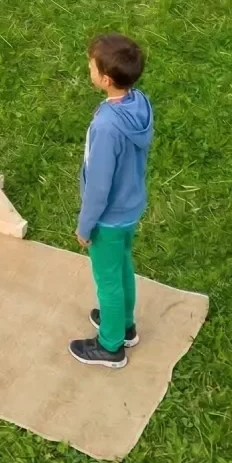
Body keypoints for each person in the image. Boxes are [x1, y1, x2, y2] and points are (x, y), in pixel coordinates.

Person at [69, 32, 152, 369]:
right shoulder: (140, 103)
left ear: (104, 79)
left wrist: (85, 226)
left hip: (108, 218)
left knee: (107, 282)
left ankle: (110, 345)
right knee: (122, 268)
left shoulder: (106, 127)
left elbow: (99, 187)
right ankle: (125, 325)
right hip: (130, 208)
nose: (88, 70)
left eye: (91, 67)